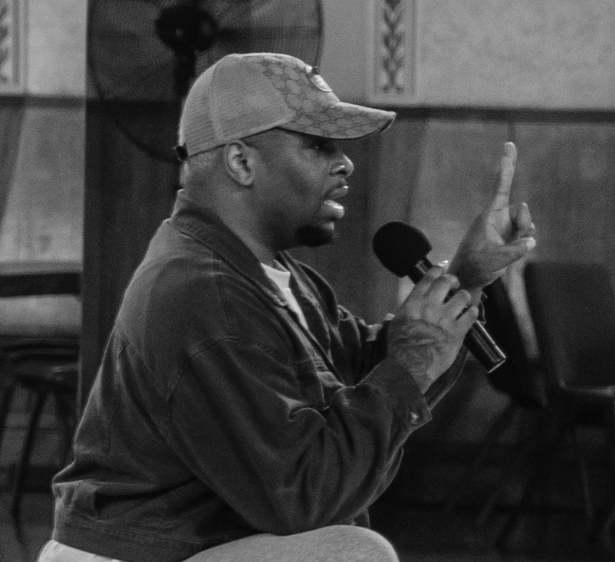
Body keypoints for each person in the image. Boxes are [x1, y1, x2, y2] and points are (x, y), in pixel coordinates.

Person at [40, 53, 539, 562]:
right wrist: (414, 357)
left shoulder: (271, 275)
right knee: (351, 554)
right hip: (140, 554)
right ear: (240, 162)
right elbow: (301, 495)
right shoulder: (203, 293)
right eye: (318, 145)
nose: (345, 163)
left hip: (205, 542)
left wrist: (467, 280)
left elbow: (366, 371)